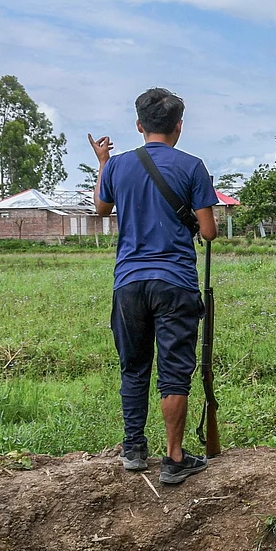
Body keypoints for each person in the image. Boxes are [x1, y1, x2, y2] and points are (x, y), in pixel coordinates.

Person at [90, 87, 218, 484]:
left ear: (139, 125)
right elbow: (210, 232)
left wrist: (103, 162)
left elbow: (100, 207)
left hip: (128, 282)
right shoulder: (193, 166)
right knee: (175, 370)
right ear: (179, 125)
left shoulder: (117, 167)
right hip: (176, 282)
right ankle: (175, 458)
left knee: (133, 365)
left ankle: (133, 449)